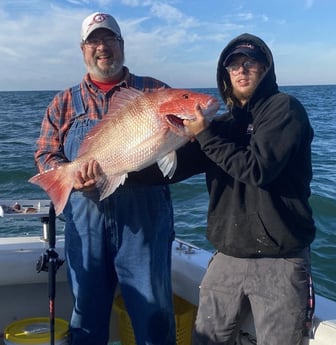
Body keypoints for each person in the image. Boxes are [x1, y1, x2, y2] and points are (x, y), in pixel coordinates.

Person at [131, 32, 316, 344]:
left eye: (250, 63)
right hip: (228, 255)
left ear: (266, 69)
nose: (241, 70)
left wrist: (205, 135)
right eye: (234, 66)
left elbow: (258, 169)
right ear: (225, 75)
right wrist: (118, 171)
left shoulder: (284, 110)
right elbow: (172, 172)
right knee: (205, 340)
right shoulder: (222, 125)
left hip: (281, 259)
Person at [33, 12, 176, 345]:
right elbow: (44, 156)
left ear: (121, 45)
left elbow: (182, 154)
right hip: (86, 224)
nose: (102, 47)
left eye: (109, 39)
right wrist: (70, 175)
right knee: (85, 319)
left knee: (154, 318)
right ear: (83, 49)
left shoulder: (155, 91)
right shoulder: (63, 103)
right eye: (94, 41)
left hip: (144, 227)